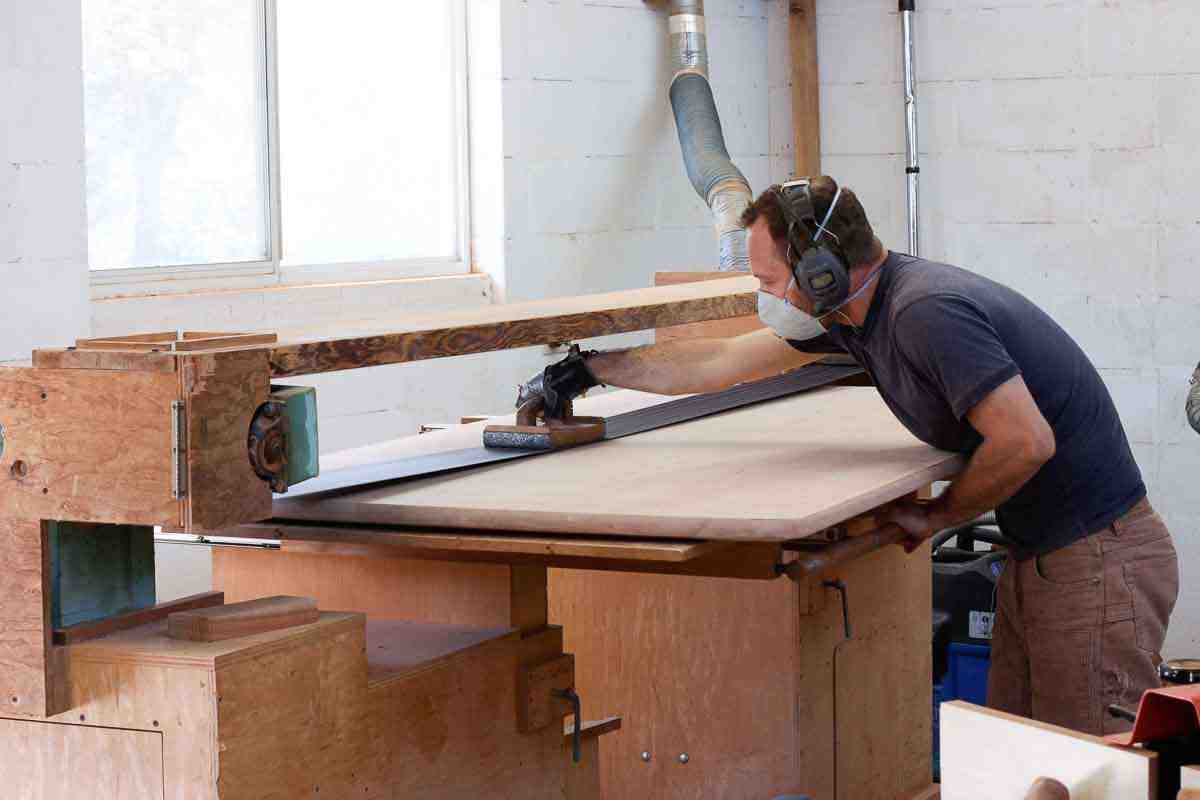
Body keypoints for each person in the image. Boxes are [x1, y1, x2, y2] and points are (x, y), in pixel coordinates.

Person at [517, 176, 1178, 735]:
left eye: (772, 280)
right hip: (1045, 554)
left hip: (1098, 558)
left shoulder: (925, 313)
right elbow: (721, 362)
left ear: (822, 271)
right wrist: (590, 368)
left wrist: (937, 515)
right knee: (1023, 758)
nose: (768, 297)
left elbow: (1027, 441)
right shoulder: (856, 320)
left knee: (1096, 767)